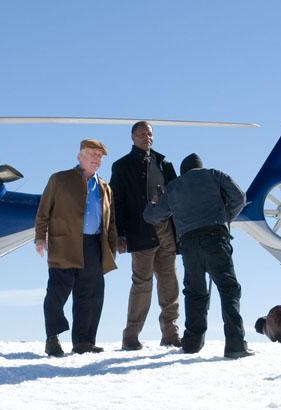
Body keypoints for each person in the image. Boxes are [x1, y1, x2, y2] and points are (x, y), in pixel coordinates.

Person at [143, 153, 252, 358]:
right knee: (228, 290)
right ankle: (235, 345)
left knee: (195, 293)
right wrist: (225, 217)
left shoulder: (174, 186)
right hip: (215, 239)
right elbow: (240, 197)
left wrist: (153, 203)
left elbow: (153, 216)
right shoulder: (214, 175)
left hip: (189, 245)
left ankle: (192, 343)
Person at [35, 139, 118, 357]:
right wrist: (39, 237)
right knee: (57, 293)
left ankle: (84, 342)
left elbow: (110, 222)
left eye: (100, 156)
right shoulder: (59, 179)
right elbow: (43, 211)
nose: (96, 159)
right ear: (80, 155)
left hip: (94, 245)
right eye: (92, 154)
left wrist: (111, 248)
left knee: (90, 296)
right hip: (64, 244)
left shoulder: (105, 187)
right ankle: (52, 339)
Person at [109, 121, 181, 350]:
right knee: (141, 284)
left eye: (149, 134)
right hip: (139, 232)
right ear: (132, 137)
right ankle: (130, 336)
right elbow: (115, 202)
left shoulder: (165, 163)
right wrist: (119, 233)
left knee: (169, 282)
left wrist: (180, 232)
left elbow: (178, 198)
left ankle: (171, 334)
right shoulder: (121, 166)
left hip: (166, 231)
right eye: (141, 134)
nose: (146, 137)